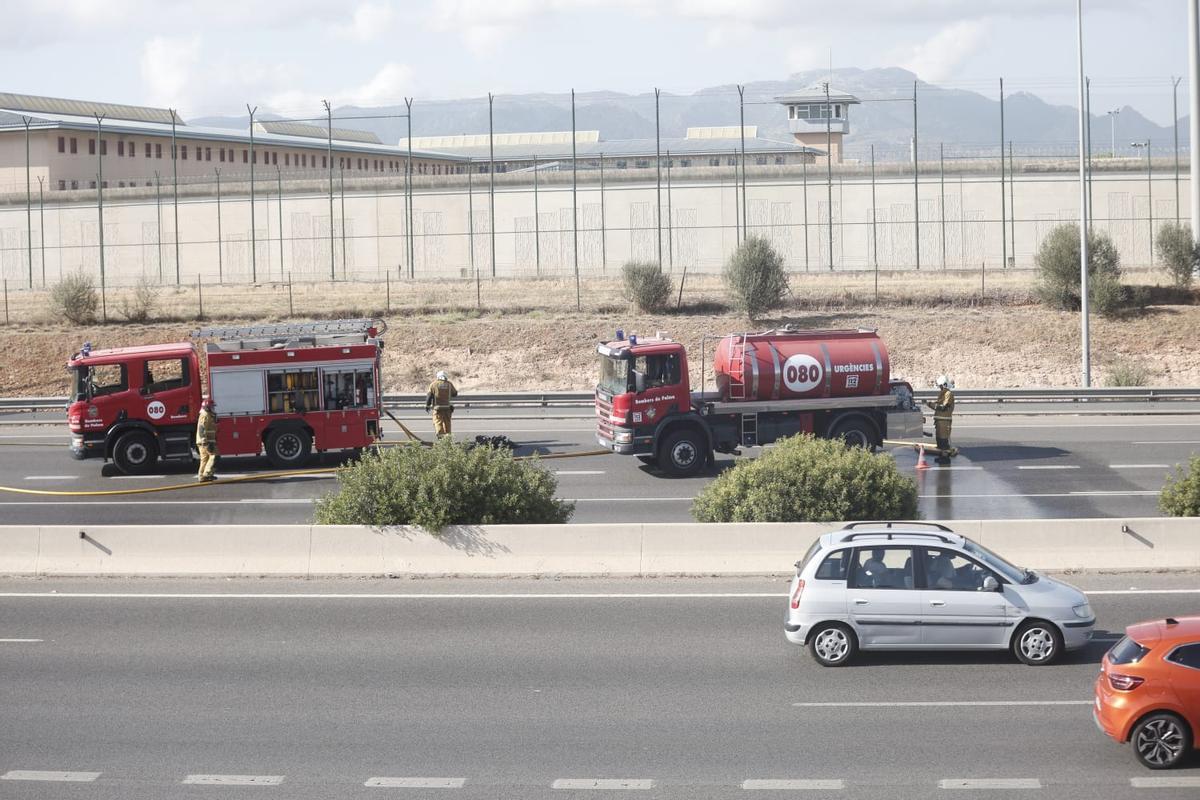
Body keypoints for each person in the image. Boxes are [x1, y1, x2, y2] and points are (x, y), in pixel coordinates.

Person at [926, 375, 955, 464]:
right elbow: (938, 405)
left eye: (941, 386)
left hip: (945, 422)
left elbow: (943, 407)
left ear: (944, 384)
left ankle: (945, 459)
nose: (940, 387)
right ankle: (941, 456)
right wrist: (930, 404)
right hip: (939, 422)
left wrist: (931, 405)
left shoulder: (948, 394)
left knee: (943, 441)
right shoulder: (942, 394)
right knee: (939, 440)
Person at [425, 370, 458, 437]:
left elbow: (429, 396)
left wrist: (427, 405)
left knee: (438, 422)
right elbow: (455, 394)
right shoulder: (449, 384)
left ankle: (441, 437)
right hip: (448, 408)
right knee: (447, 424)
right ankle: (448, 438)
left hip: (438, 408)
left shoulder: (434, 384)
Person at [196, 396, 218, 482]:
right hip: (205, 442)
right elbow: (202, 429)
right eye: (211, 407)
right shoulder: (205, 415)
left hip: (206, 441)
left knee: (205, 460)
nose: (213, 408)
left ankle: (202, 476)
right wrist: (205, 442)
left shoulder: (208, 415)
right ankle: (207, 474)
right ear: (207, 407)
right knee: (214, 456)